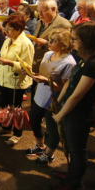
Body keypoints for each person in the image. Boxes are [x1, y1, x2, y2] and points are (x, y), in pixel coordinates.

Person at [50, 22, 95, 190]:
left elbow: (77, 95)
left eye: (75, 39)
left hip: (80, 113)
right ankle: (71, 175)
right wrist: (58, 99)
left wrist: (60, 114)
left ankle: (72, 184)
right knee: (70, 145)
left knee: (77, 151)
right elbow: (70, 84)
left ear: (86, 41)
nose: (72, 42)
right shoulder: (85, 58)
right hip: (71, 110)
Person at [24, 29, 76, 166]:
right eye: (50, 39)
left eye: (54, 41)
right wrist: (30, 73)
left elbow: (64, 87)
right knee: (34, 120)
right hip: (40, 94)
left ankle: (49, 154)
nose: (49, 42)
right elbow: (43, 72)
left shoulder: (69, 62)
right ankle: (40, 145)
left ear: (64, 44)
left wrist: (46, 81)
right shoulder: (48, 54)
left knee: (52, 129)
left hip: (54, 100)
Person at [0, 15, 34, 145]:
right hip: (3, 79)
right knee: (5, 106)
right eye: (6, 29)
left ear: (19, 29)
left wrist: (11, 63)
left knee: (16, 109)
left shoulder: (25, 43)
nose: (6, 32)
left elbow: (27, 67)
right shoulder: (7, 40)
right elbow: (2, 58)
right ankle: (6, 127)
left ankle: (17, 134)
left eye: (10, 29)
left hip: (16, 81)